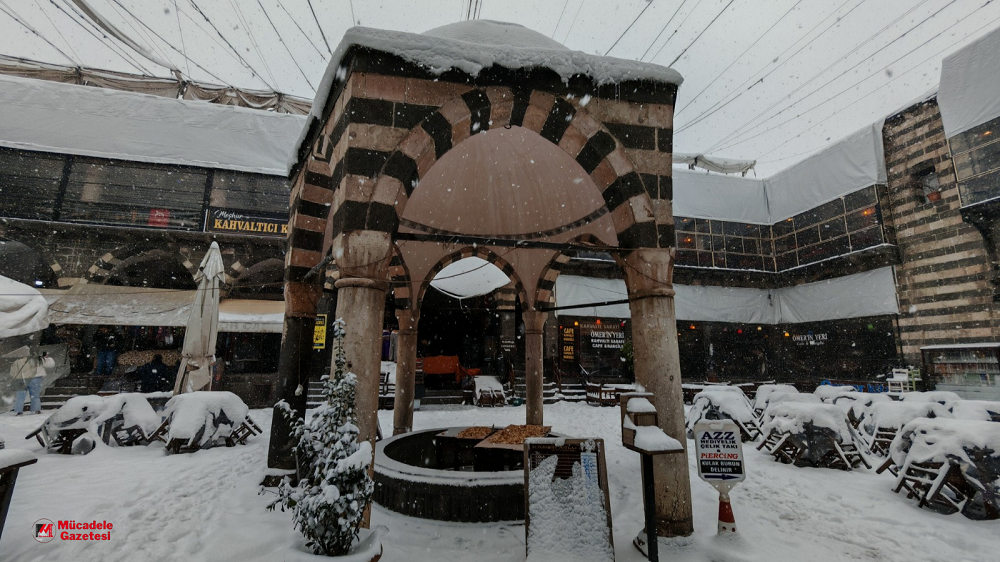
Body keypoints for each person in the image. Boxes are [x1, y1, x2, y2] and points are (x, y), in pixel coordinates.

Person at [11, 349, 54, 415]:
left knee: (20, 396)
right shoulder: (38, 359)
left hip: (21, 379)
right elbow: (51, 364)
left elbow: (13, 370)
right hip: (35, 378)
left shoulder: (18, 359)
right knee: (35, 396)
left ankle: (18, 411)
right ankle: (35, 410)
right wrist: (45, 358)